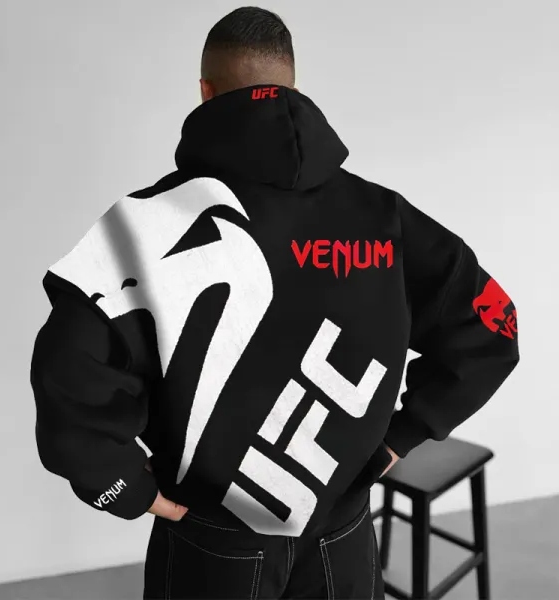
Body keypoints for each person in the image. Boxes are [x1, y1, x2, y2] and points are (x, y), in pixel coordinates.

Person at [29, 6, 520, 599]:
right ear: (292, 86)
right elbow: (492, 326)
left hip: (213, 542)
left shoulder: (142, 228)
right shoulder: (382, 217)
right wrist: (405, 434)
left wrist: (125, 488)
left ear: (206, 92)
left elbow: (69, 373)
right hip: (343, 531)